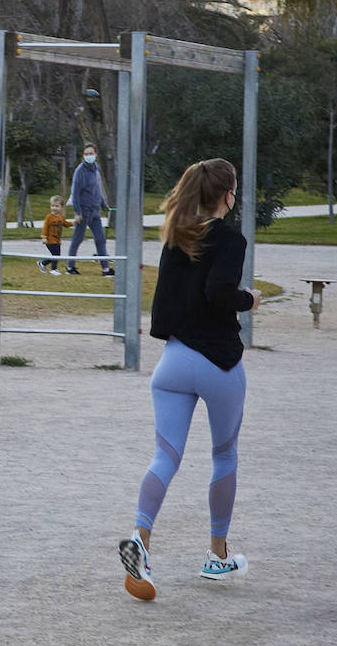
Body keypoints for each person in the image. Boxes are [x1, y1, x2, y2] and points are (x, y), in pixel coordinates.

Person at [118, 157, 259, 600]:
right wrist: (248, 299)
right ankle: (217, 555)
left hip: (172, 363)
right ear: (228, 196)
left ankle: (140, 540)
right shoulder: (230, 238)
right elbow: (219, 294)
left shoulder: (176, 236)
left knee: (165, 456)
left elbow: (165, 308)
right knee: (224, 456)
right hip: (217, 363)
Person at [66, 143, 112, 275]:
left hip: (95, 211)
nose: (89, 156)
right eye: (86, 154)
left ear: (95, 154)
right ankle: (70, 267)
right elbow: (75, 194)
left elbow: (98, 189)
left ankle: (106, 269)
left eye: (91, 153)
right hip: (83, 211)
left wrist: (104, 205)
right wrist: (78, 212)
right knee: (77, 239)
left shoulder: (96, 169)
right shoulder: (80, 171)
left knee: (100, 239)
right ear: (83, 156)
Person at [38, 195, 73, 275]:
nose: (54, 208)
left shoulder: (61, 217)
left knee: (57, 255)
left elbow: (66, 224)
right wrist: (44, 237)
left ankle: (43, 263)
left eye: (57, 206)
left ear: (61, 207)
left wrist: (73, 223)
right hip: (50, 240)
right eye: (52, 206)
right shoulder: (49, 217)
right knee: (56, 255)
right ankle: (53, 269)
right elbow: (45, 227)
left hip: (57, 240)